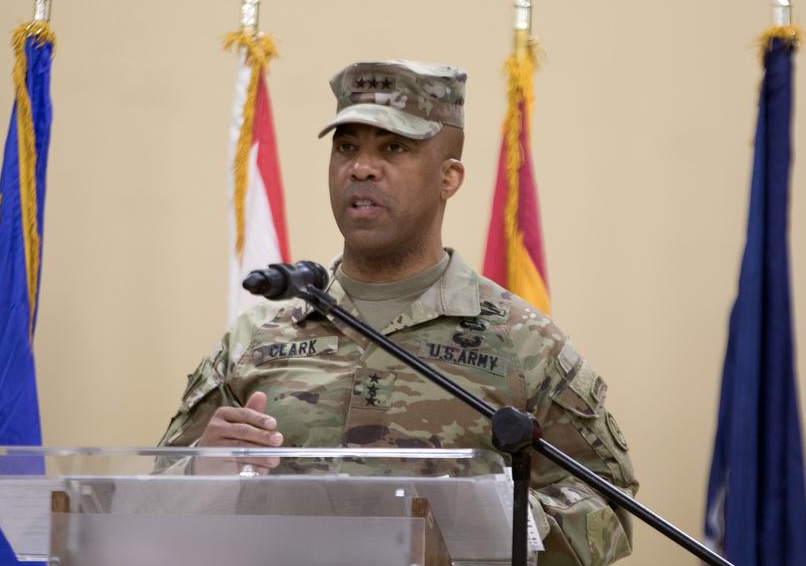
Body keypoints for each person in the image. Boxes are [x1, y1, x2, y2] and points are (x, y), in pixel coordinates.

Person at [159, 60, 637, 564]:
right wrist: (197, 476)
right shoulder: (256, 338)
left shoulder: (526, 344)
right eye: (347, 148)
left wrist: (477, 524)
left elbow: (609, 507)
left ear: (449, 178)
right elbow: (136, 502)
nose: (361, 168)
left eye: (394, 148)